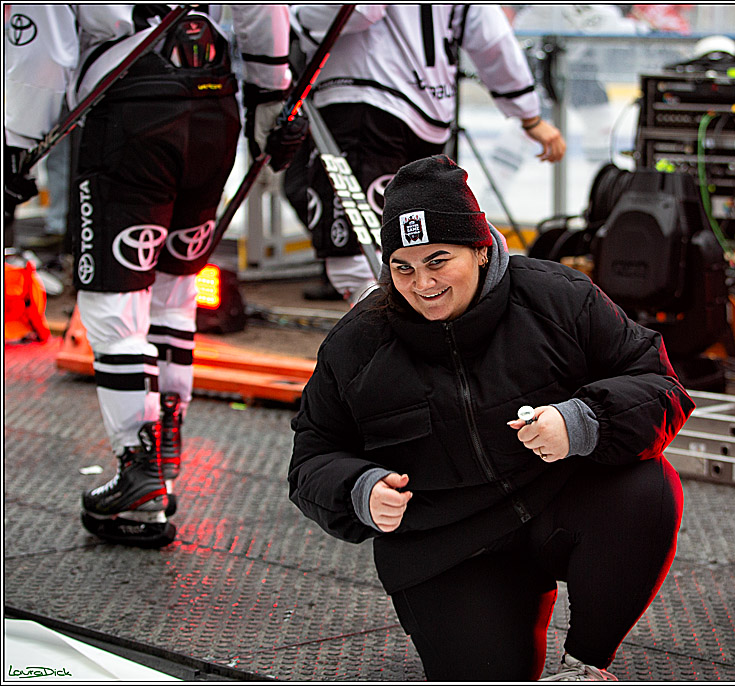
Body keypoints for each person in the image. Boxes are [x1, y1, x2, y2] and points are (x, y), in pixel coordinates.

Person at [289, 155, 693, 681]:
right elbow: (311, 458)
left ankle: (585, 665)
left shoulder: (557, 297)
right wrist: (359, 490)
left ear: (481, 249)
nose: (422, 283)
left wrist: (581, 422)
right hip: (449, 546)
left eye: (438, 261)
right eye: (403, 267)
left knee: (648, 488)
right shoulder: (356, 344)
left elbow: (661, 384)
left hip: (558, 503)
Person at [4, 4, 307, 548]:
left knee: (112, 301)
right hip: (214, 104)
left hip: (129, 107)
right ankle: (161, 451)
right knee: (175, 290)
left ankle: (139, 467)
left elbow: (42, 40)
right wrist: (271, 94)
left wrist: (17, 143)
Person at [283, 4, 565, 301]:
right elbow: (490, 35)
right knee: (414, 244)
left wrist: (291, 16)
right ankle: (416, 325)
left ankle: (384, 328)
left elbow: (361, 10)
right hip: (428, 107)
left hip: (365, 98)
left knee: (359, 255)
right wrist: (527, 112)